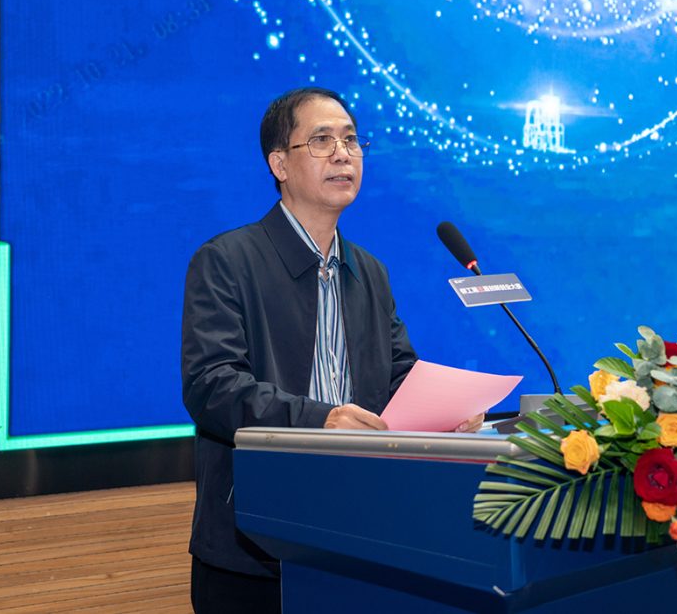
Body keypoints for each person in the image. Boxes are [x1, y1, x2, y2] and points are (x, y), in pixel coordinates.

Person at [181, 87, 482, 614]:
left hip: (360, 534)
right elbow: (212, 386)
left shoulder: (369, 271)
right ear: (279, 163)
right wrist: (320, 420)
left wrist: (445, 412)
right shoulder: (227, 260)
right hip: (256, 546)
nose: (343, 154)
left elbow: (398, 373)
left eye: (351, 140)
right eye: (321, 141)